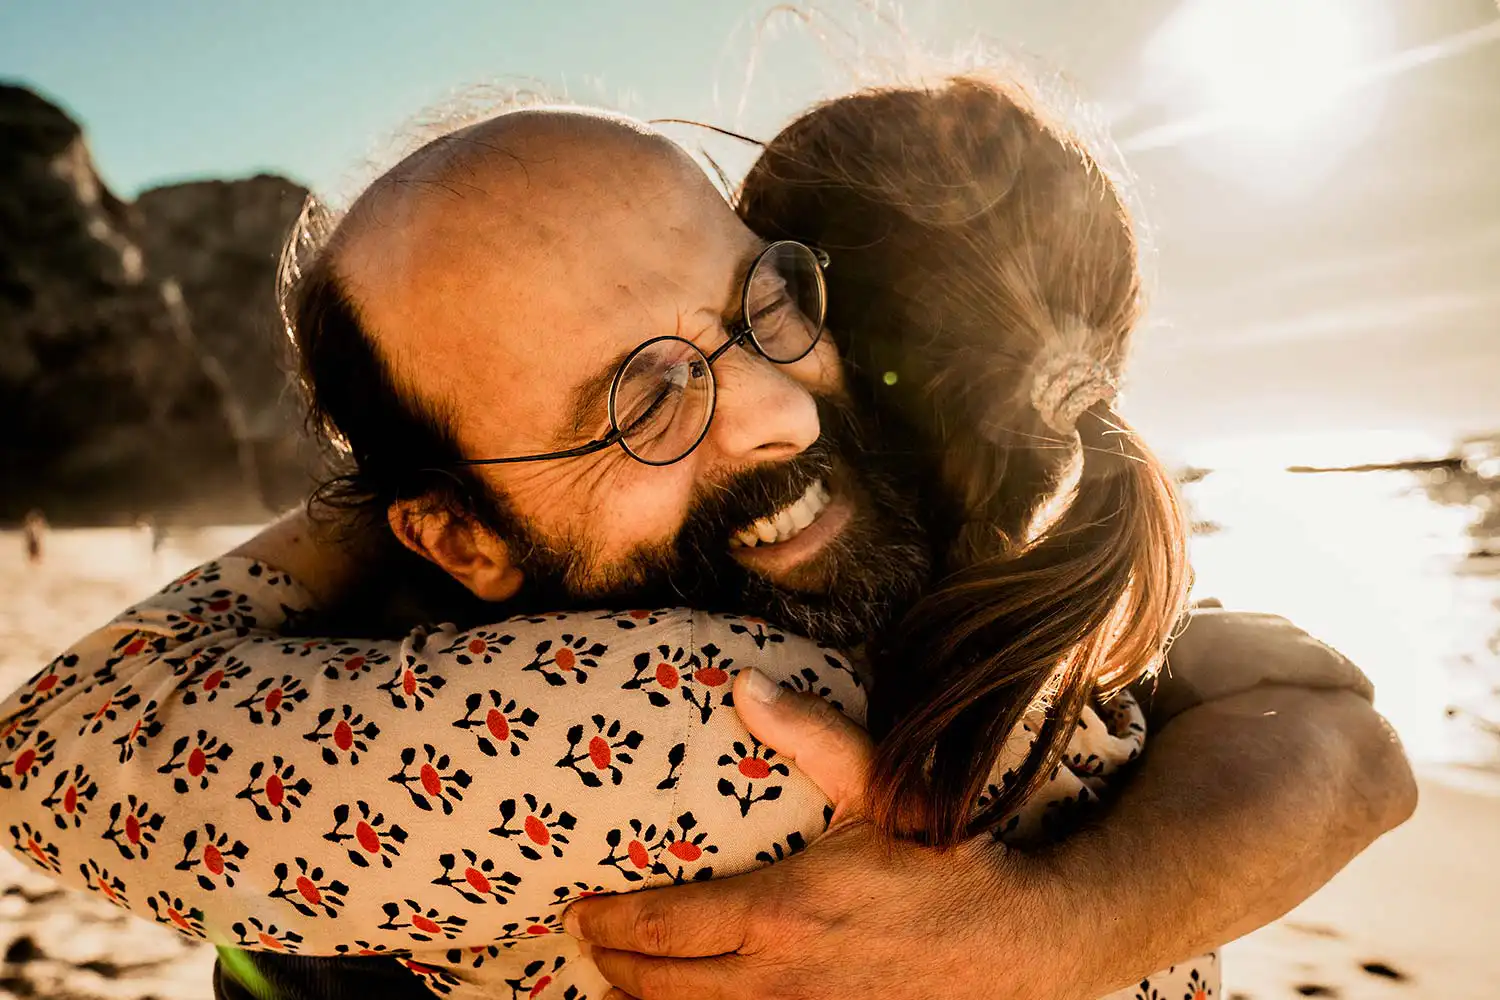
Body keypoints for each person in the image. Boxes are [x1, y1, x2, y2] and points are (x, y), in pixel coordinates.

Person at [0, 81, 1414, 1000]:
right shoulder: (756, 703)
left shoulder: (802, 669)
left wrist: (415, 508)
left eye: (763, 306)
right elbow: (1337, 736)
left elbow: (1344, 744)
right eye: (639, 399)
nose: (778, 414)